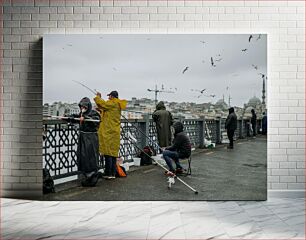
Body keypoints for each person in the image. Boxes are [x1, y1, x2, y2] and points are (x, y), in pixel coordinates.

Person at [63, 97, 101, 187]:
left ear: (88, 106)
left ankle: (92, 175)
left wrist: (85, 117)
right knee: (82, 156)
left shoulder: (94, 113)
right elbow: (75, 118)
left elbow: (95, 122)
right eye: (81, 106)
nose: (82, 108)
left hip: (91, 138)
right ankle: (86, 175)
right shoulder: (81, 113)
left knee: (90, 156)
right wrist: (68, 118)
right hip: (83, 138)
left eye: (84, 106)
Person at [94, 90, 127, 179]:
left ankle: (108, 173)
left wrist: (98, 97)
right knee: (112, 153)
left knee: (107, 153)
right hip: (115, 131)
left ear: (112, 96)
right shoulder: (117, 104)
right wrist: (100, 109)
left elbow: (103, 104)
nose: (108, 98)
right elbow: (106, 109)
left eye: (109, 96)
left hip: (109, 131)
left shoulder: (113, 103)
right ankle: (112, 173)